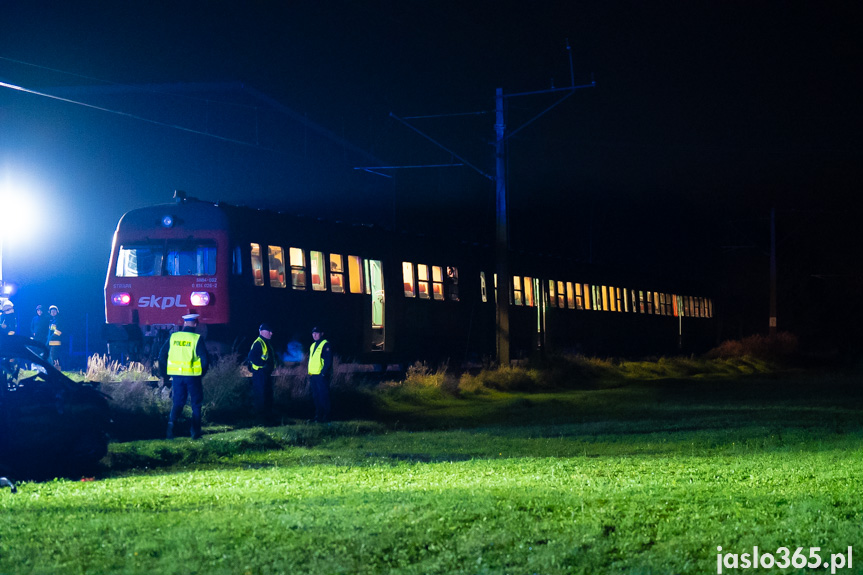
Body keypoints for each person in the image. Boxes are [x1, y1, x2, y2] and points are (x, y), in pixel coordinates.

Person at [159, 313, 209, 439]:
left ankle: (170, 431)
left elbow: (161, 355)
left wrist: (166, 372)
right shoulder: (197, 338)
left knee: (178, 403)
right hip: (193, 376)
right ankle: (195, 433)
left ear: (184, 323)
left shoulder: (173, 337)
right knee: (196, 404)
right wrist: (201, 373)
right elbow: (205, 359)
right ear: (196, 324)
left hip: (176, 377)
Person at [246, 323, 275, 421]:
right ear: (262, 332)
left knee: (266, 394)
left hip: (264, 373)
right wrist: (263, 364)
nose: (271, 333)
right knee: (261, 395)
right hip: (260, 374)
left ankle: (267, 416)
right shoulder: (259, 342)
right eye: (269, 331)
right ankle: (261, 418)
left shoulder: (265, 342)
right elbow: (251, 356)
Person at [307, 326, 332, 423]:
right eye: (313, 333)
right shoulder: (313, 345)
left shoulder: (325, 344)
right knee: (316, 396)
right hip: (313, 375)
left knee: (323, 396)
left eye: (317, 333)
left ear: (322, 333)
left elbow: (328, 360)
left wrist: (323, 373)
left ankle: (326, 417)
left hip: (321, 375)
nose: (314, 335)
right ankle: (318, 416)